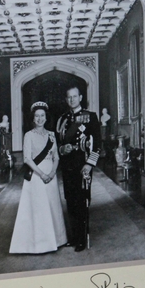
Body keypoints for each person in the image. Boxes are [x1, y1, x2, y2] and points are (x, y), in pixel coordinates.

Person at [9, 102, 67, 254]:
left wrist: (53, 173)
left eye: (42, 115)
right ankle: (40, 244)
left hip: (51, 176)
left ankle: (57, 240)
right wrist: (42, 174)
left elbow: (56, 157)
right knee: (39, 209)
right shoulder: (29, 135)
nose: (40, 119)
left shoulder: (52, 135)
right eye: (37, 116)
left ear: (46, 117)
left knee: (52, 206)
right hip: (36, 176)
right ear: (33, 118)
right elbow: (27, 159)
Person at [56, 87, 101, 252]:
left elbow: (97, 145)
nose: (72, 100)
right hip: (67, 166)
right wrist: (62, 149)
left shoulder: (90, 117)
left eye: (75, 96)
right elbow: (57, 143)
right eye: (69, 97)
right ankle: (74, 237)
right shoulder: (63, 119)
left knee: (82, 201)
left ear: (80, 97)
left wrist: (89, 164)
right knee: (70, 201)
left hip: (83, 166)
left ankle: (82, 238)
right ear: (66, 99)